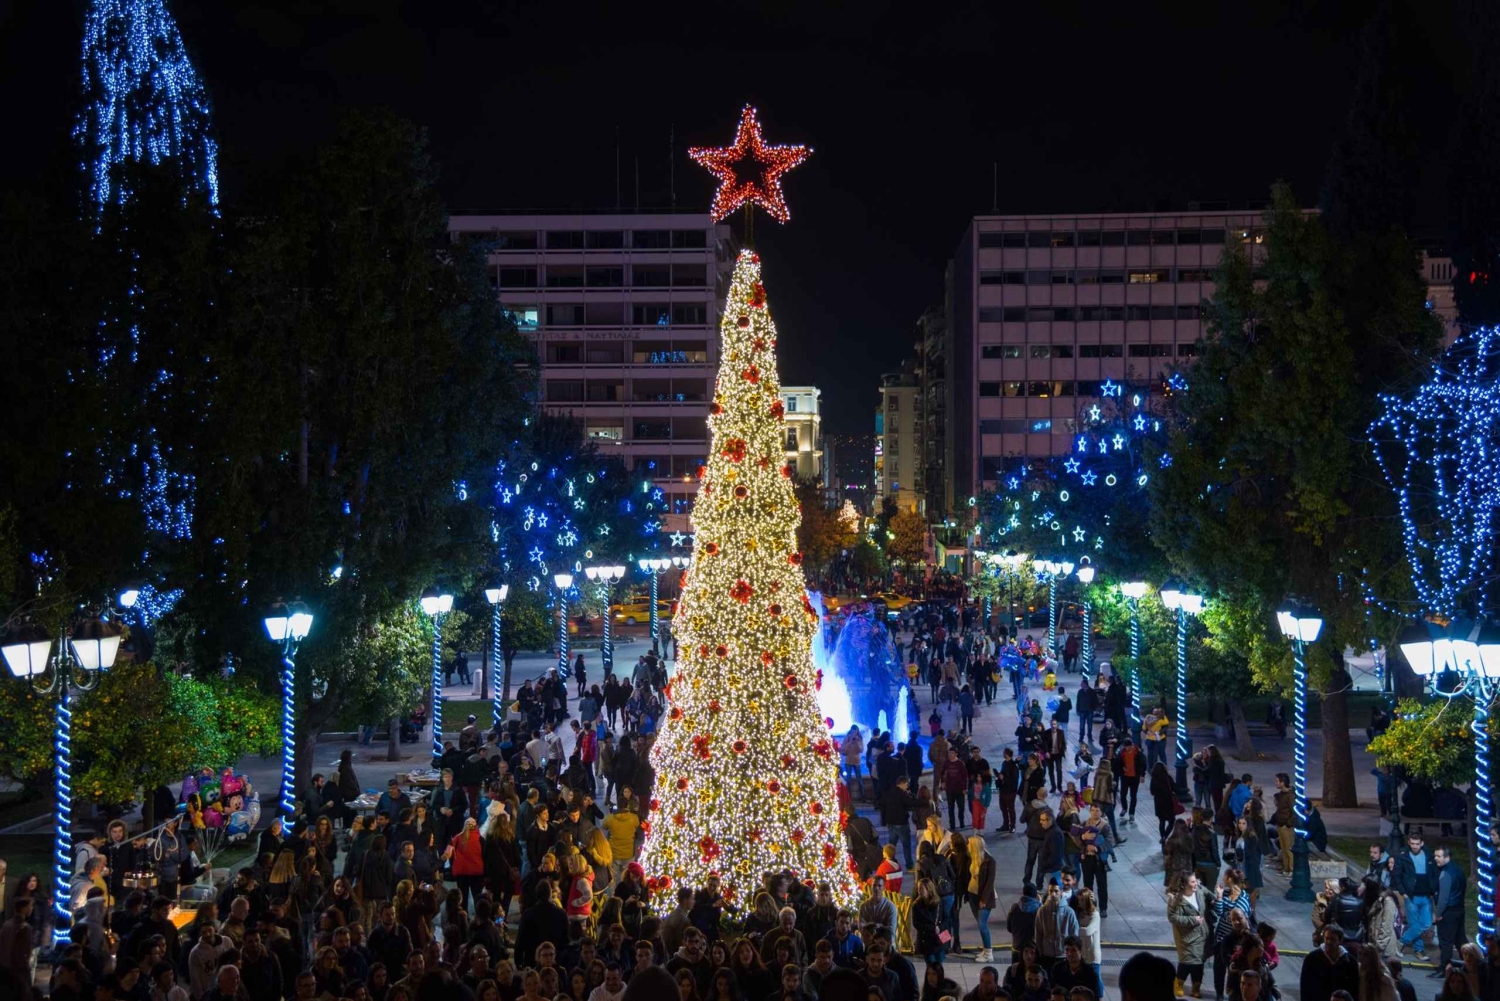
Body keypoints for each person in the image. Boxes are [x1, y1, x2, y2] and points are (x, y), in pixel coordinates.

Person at [1167, 873, 1211, 999]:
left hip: (1202, 934)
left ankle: (1196, 987)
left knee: (1199, 961)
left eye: (1195, 880)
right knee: (1187, 961)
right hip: (1187, 936)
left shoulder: (1199, 891)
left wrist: (1216, 897)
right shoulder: (1176, 900)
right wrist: (1193, 920)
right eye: (1192, 882)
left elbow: (1208, 894)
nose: (1195, 883)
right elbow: (1172, 917)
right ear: (1184, 885)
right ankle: (1179, 983)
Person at [1394, 832, 1436, 960]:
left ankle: (1402, 941)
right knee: (1415, 924)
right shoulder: (1403, 856)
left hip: (1426, 896)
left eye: (1417, 844)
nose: (1415, 846)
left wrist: (1432, 891)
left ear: (1422, 843)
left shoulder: (1429, 854)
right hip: (1411, 896)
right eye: (1412, 843)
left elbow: (1433, 873)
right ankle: (1419, 950)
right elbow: (1397, 875)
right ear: (1408, 843)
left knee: (1425, 923)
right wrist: (1404, 893)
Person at [1434, 845, 1468, 974]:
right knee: (1461, 939)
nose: (1435, 858)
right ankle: (1471, 964)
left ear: (1447, 857)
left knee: (1446, 941)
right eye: (1435, 855)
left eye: (1438, 856)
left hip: (1448, 912)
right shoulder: (1458, 870)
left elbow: (1444, 897)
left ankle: (1444, 968)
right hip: (1459, 909)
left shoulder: (1445, 873)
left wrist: (1438, 914)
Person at [1300, 927, 1360, 1001]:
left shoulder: (1350, 962)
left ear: (1341, 941)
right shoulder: (1312, 959)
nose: (1329, 942)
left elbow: (1355, 989)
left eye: (1333, 939)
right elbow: (1305, 987)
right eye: (1327, 938)